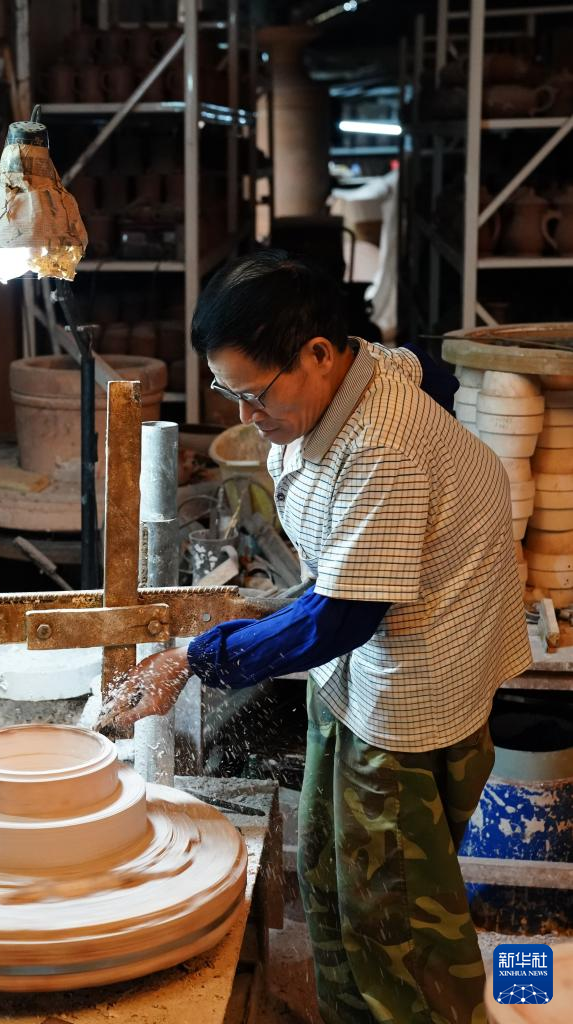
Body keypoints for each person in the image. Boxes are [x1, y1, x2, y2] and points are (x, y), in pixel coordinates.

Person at [98, 250, 531, 1024]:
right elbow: (427, 363)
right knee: (332, 878)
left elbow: (339, 619)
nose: (243, 415)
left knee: (398, 929)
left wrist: (197, 657)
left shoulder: (380, 449)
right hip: (358, 674)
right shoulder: (366, 370)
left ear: (318, 354)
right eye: (228, 392)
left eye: (254, 393)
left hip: (407, 701)